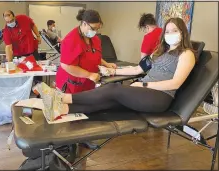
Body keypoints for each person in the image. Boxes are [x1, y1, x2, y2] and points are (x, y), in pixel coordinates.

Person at [33, 17, 196, 121]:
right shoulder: (159, 52)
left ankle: (62, 98)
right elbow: (137, 70)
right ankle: (61, 109)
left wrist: (144, 85)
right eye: (167, 31)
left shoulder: (186, 54)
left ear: (183, 32)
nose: (170, 34)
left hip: (160, 98)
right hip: (144, 93)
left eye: (174, 31)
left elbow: (175, 83)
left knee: (112, 89)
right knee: (107, 101)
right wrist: (112, 71)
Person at [55, 9, 117, 94]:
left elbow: (93, 55)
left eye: (97, 29)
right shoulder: (71, 40)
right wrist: (89, 75)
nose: (95, 32)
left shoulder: (95, 39)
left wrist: (106, 64)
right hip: (72, 83)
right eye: (93, 28)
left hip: (88, 82)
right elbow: (66, 65)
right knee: (74, 105)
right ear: (84, 23)